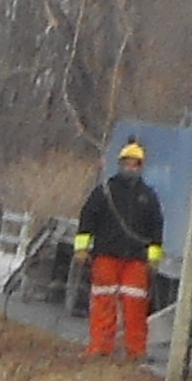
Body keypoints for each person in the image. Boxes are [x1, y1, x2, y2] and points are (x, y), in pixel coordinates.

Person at [72, 139, 166, 358]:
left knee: (135, 306)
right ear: (120, 164)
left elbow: (156, 228)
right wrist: (81, 249)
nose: (130, 168)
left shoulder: (148, 196)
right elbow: (87, 221)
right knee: (103, 302)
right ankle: (100, 348)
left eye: (135, 164)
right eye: (127, 163)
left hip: (136, 260)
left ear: (140, 167)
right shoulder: (104, 192)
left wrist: (153, 258)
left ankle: (135, 351)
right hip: (106, 256)